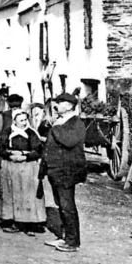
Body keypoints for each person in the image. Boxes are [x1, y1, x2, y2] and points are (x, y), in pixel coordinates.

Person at [40, 92, 87, 253]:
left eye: (59, 103)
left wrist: (55, 127)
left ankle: (73, 242)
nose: (56, 106)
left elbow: (69, 141)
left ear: (68, 106)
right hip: (56, 171)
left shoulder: (77, 123)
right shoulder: (60, 121)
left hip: (67, 171)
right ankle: (65, 237)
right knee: (61, 205)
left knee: (67, 207)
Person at [0, 110, 46, 236]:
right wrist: (8, 155)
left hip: (28, 167)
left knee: (28, 194)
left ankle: (30, 224)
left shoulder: (31, 133)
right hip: (11, 165)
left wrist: (25, 156)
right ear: (15, 121)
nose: (24, 123)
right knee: (11, 193)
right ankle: (11, 221)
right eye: (21, 120)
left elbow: (39, 150)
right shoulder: (8, 132)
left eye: (25, 120)